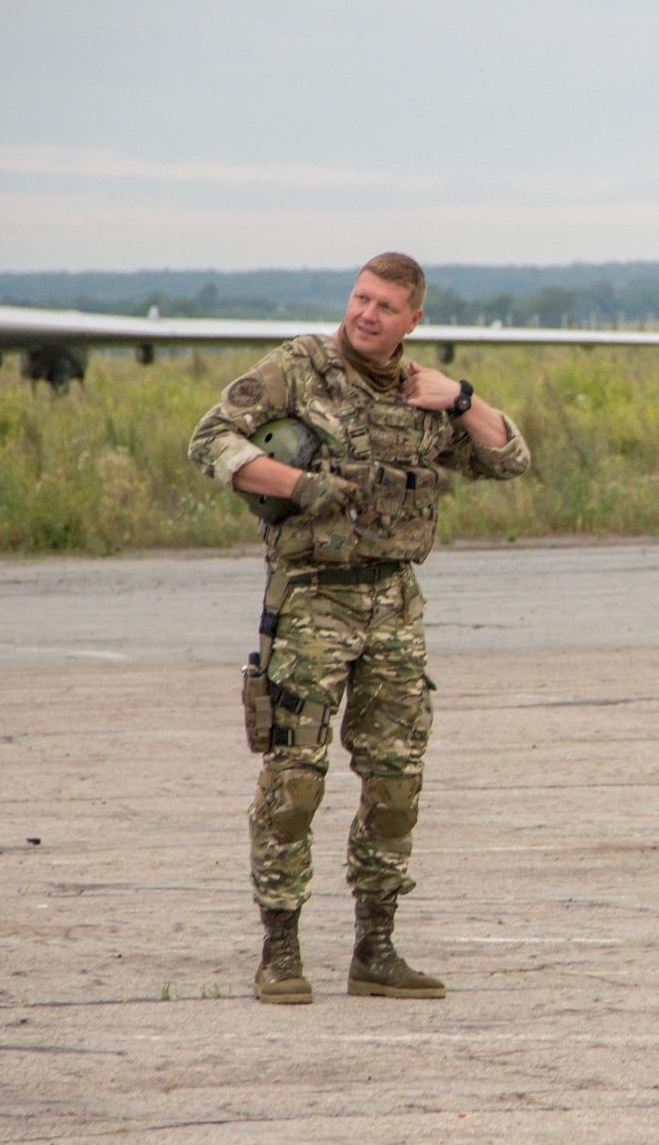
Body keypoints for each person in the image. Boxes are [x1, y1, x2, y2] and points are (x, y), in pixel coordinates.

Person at [187, 252, 531, 1005]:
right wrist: (299, 485)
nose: (366, 314)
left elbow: (510, 458)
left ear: (413, 320)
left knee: (396, 783)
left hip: (395, 605)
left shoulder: (425, 392)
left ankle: (376, 949)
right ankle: (280, 952)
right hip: (312, 598)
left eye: (385, 306)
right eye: (360, 298)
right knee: (294, 783)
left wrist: (460, 396)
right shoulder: (298, 370)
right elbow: (210, 440)